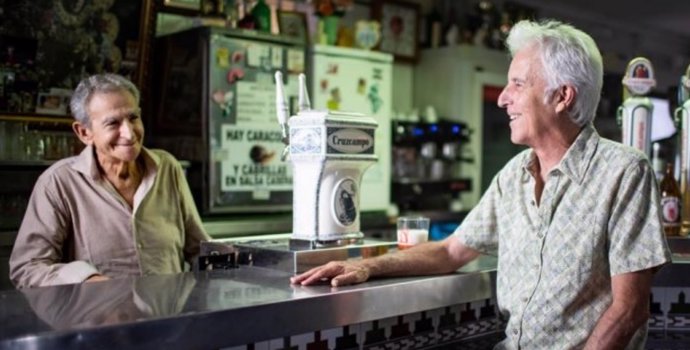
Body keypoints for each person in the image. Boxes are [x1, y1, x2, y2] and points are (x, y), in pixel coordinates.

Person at [291, 20, 671, 349]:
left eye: (517, 84)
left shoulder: (623, 172)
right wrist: (366, 267)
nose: (503, 99)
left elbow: (629, 309)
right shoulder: (512, 177)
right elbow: (450, 252)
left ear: (562, 96)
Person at [10, 74, 211, 288]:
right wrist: (86, 279)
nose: (129, 132)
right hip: (98, 319)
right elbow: (27, 268)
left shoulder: (167, 167)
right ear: (84, 132)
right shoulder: (58, 183)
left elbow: (198, 249)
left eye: (133, 118)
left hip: (171, 317)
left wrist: (239, 264)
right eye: (113, 123)